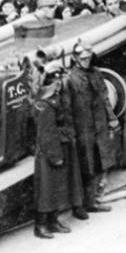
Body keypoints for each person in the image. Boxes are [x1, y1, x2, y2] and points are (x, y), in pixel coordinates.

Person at [65, 42, 118, 217]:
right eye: (82, 58)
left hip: (99, 125)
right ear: (75, 58)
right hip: (82, 128)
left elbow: (104, 98)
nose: (86, 61)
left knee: (98, 162)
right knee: (83, 166)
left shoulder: (96, 73)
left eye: (88, 58)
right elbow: (67, 107)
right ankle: (79, 205)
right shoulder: (70, 79)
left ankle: (92, 201)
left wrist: (111, 118)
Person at [32, 61, 82, 239]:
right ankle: (41, 225)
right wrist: (55, 156)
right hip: (50, 151)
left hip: (61, 145)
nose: (60, 82)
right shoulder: (45, 103)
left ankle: (53, 221)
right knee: (46, 191)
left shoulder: (55, 96)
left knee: (57, 188)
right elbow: (46, 133)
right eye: (57, 79)